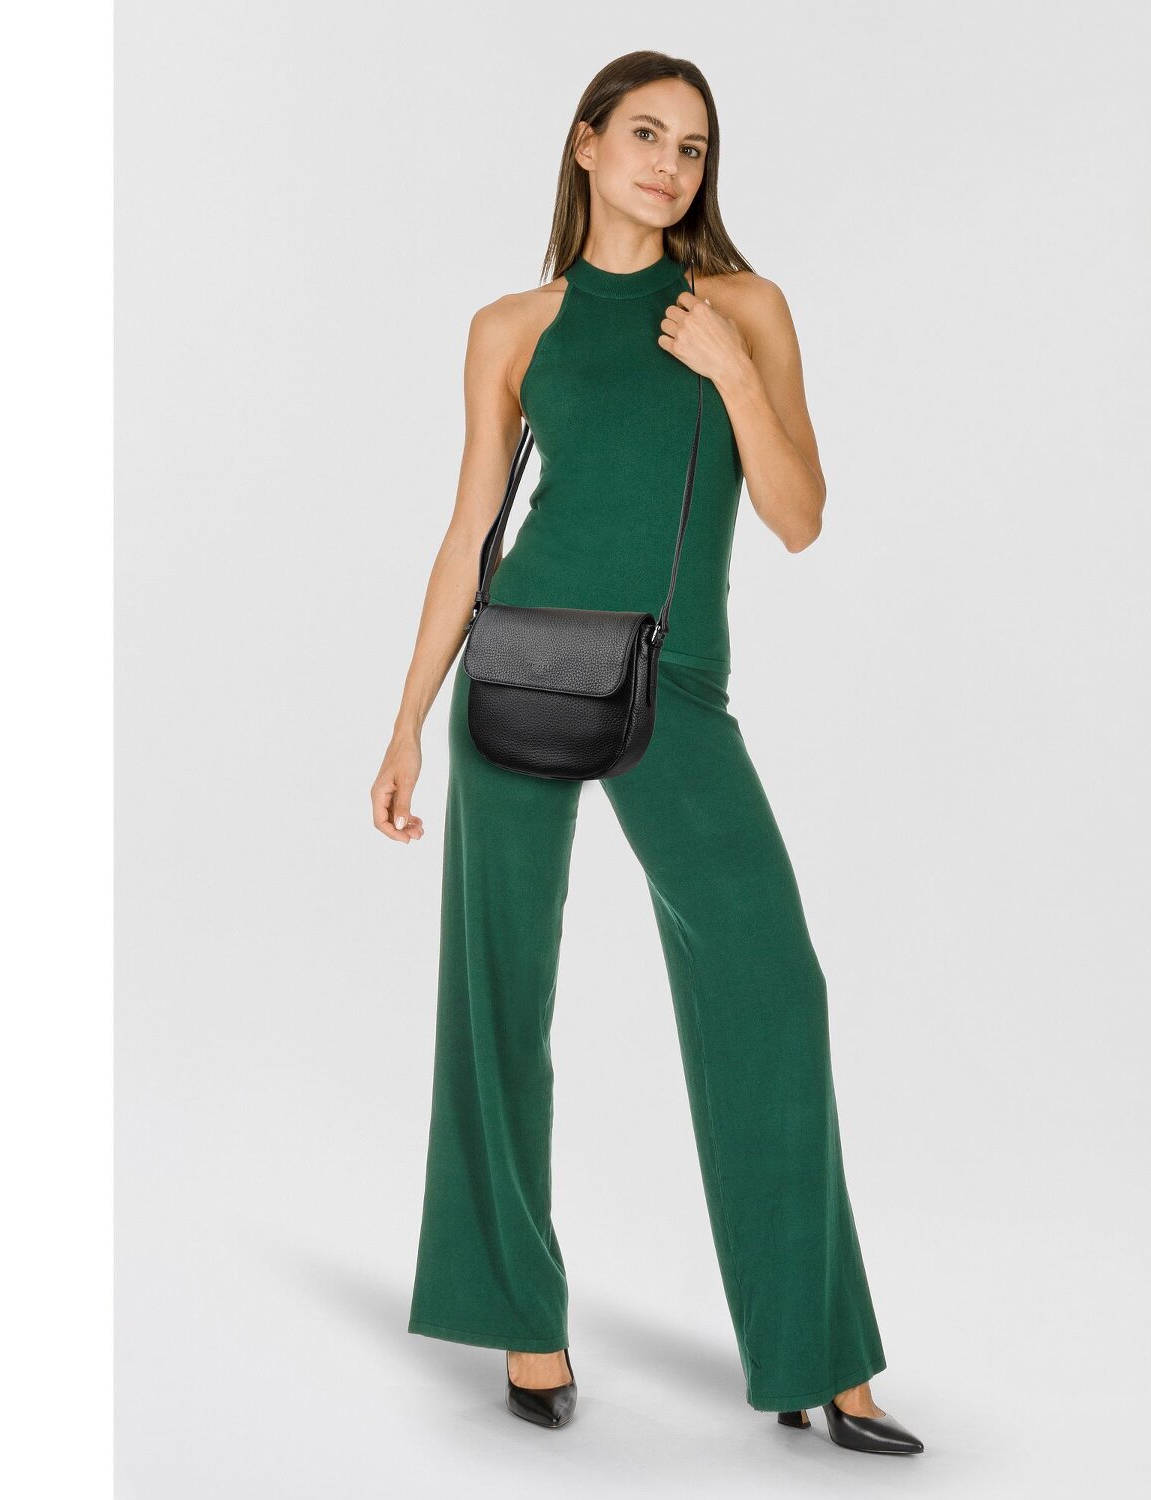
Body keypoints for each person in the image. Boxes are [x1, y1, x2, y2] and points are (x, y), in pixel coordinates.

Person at [371, 49, 923, 1457]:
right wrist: (407, 718)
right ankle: (522, 1317)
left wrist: (732, 372)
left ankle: (819, 1355)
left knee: (771, 982)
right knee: (498, 995)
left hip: (671, 683)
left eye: (693, 147)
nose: (670, 165)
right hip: (519, 668)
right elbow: (473, 529)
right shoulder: (513, 325)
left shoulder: (744, 306)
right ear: (585, 145)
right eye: (645, 135)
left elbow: (798, 515)